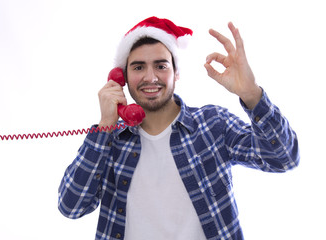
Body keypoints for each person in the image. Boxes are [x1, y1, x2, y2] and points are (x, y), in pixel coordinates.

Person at [58, 17, 299, 240]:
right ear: (120, 77)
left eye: (161, 66)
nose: (150, 77)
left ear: (176, 73)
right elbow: (71, 206)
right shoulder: (110, 139)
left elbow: (284, 158)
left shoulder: (212, 123)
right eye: (138, 67)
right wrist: (105, 127)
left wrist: (251, 95)